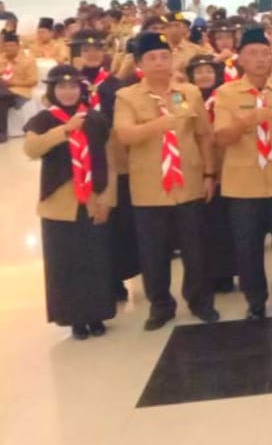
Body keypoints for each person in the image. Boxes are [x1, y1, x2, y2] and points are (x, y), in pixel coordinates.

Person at [113, 32, 220, 330]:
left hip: (189, 182)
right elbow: (124, 135)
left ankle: (200, 301)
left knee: (196, 249)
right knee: (154, 253)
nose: (159, 63)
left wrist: (209, 173)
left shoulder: (189, 93)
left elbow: (204, 135)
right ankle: (160, 306)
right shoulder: (127, 97)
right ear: (140, 64)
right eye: (152, 58)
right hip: (150, 187)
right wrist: (158, 125)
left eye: (164, 56)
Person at [212, 27, 272, 318]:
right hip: (243, 183)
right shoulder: (226, 94)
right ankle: (255, 300)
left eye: (265, 53)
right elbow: (221, 137)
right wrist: (246, 121)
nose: (261, 59)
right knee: (247, 247)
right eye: (253, 54)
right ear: (240, 59)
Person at [24, 65, 116, 340]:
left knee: (95, 260)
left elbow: (110, 160)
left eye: (73, 86)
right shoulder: (44, 119)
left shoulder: (95, 119)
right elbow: (31, 149)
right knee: (66, 263)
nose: (68, 92)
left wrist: (107, 200)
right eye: (62, 87)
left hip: (93, 199)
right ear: (53, 90)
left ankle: (97, 314)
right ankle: (75, 318)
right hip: (60, 204)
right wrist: (65, 130)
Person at [75, 31, 137, 300]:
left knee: (116, 220)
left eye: (97, 50)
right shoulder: (70, 83)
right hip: (80, 159)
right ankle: (92, 279)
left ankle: (117, 278)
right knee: (86, 221)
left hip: (114, 157)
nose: (92, 54)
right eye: (86, 50)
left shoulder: (114, 85)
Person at [186, 52, 237, 295]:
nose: (204, 76)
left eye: (208, 71)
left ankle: (226, 274)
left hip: (225, 167)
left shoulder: (225, 97)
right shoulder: (183, 97)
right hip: (195, 168)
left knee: (224, 224)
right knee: (200, 226)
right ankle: (205, 275)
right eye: (198, 72)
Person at [1, 30, 39, 140]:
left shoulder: (28, 61)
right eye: (6, 46)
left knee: (1, 99)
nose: (9, 48)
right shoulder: (1, 59)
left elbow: (33, 81)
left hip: (19, 92)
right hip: (2, 90)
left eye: (12, 46)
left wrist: (12, 83)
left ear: (18, 46)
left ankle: (2, 133)